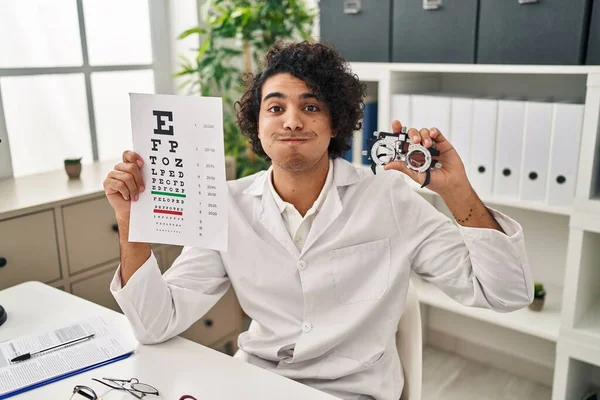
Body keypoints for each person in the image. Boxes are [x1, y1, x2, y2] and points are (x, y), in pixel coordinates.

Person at [104, 41, 533, 400]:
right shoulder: (227, 205)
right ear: (257, 125)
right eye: (275, 108)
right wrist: (131, 220)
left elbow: (506, 293)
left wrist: (457, 192)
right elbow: (155, 325)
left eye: (310, 106)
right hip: (256, 385)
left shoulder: (390, 198)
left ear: (335, 124)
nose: (292, 120)